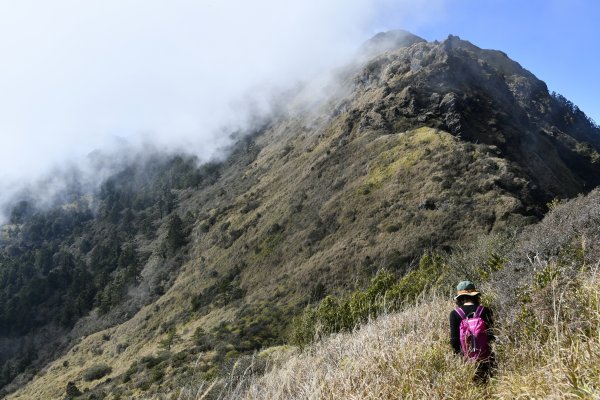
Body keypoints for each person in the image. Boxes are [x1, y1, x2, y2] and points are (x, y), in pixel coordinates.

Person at [449, 280, 495, 382]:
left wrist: (459, 359)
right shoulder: (485, 310)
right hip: (486, 359)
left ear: (459, 298)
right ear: (475, 296)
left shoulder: (455, 314)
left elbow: (454, 341)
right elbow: (491, 336)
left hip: (467, 361)